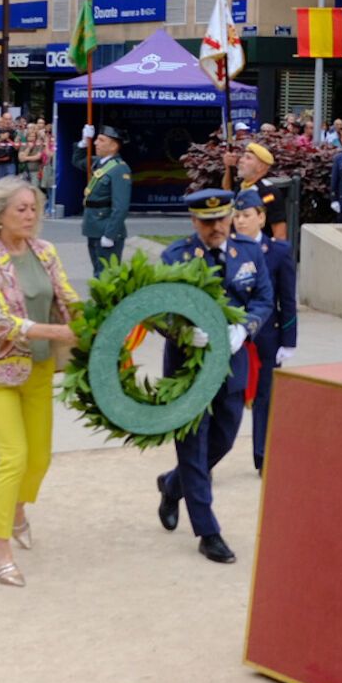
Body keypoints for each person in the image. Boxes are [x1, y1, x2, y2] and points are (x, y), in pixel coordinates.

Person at [0, 178, 81, 587]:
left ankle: (17, 512)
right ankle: (0, 553)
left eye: (34, 208)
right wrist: (53, 332)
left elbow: (68, 299)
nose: (31, 216)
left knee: (40, 458)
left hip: (40, 368)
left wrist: (107, 319)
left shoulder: (46, 251)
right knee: (13, 458)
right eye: (22, 209)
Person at [155, 189, 273, 563]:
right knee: (193, 445)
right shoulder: (176, 257)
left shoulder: (249, 252)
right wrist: (182, 332)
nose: (217, 227)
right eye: (208, 222)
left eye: (222, 219)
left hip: (232, 362)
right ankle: (208, 532)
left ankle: (174, 486)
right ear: (194, 222)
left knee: (223, 437)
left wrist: (244, 330)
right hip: (188, 367)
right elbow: (158, 310)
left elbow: (263, 299)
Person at [232, 189, 296, 472]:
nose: (240, 222)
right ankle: (208, 457)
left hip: (268, 336)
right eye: (236, 216)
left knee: (265, 399)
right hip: (233, 336)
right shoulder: (226, 250)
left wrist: (289, 340)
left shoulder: (278, 251)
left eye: (246, 216)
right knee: (226, 396)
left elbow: (288, 299)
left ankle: (263, 457)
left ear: (261, 217)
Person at [81, 126, 133, 275]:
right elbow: (77, 161)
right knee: (98, 272)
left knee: (106, 276)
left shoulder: (119, 169)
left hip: (106, 228)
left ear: (113, 146)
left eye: (101, 140)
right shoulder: (99, 162)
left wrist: (110, 234)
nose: (96, 143)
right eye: (96, 139)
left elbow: (121, 206)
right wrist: (83, 142)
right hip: (93, 226)